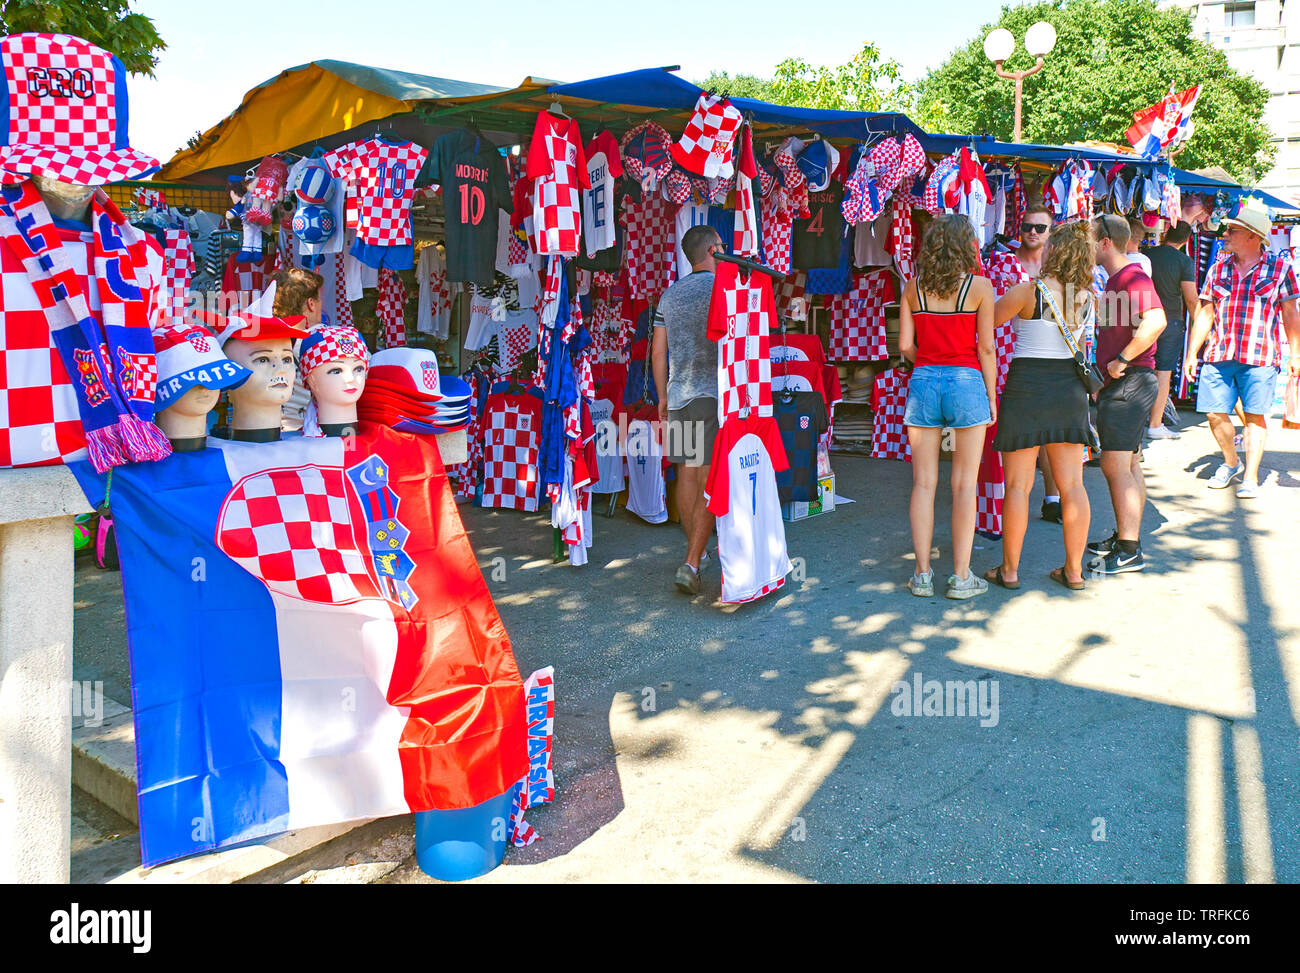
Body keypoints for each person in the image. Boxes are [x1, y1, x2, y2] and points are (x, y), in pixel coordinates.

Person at [989, 220, 1095, 590]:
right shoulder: (1087, 297)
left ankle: (1010, 570)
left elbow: (984, 326)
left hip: (1027, 390)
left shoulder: (1026, 293)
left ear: (1054, 251)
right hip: (1068, 391)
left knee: (1018, 486)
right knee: (1073, 486)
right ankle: (1074, 571)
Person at [898, 215, 997, 599]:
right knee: (963, 484)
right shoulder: (981, 288)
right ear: (966, 245)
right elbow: (986, 348)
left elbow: (905, 346)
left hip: (923, 380)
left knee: (923, 482)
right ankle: (960, 576)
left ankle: (922, 574)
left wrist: (928, 359)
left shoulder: (913, 287)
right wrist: (990, 395)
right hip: (967, 381)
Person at [1184, 202, 1300, 498]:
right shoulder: (1217, 268)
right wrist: (1191, 352)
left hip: (1259, 355)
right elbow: (1205, 313)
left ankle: (1250, 476)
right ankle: (1231, 461)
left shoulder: (1280, 268)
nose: (1225, 234)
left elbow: (1290, 314)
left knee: (1255, 417)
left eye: (1232, 230)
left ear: (1252, 236)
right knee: (1214, 413)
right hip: (1219, 353)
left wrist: (1296, 353)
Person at [1087, 214, 1166, 575]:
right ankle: (1125, 539)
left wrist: (1120, 360)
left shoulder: (1132, 276)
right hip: (1128, 382)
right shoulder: (1119, 279)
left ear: (1105, 243)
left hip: (1130, 381)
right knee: (1128, 464)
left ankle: (1130, 549)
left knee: (1115, 465)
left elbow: (1156, 321)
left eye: (1090, 239)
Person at [652, 224, 721, 594]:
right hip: (712, 394)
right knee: (708, 480)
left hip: (679, 395)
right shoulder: (722, 290)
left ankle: (696, 551)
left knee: (687, 476)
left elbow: (658, 352)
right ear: (712, 250)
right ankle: (692, 562)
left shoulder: (670, 296)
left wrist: (663, 396)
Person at [989, 203, 1064, 522]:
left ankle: (1052, 497)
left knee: (1049, 434)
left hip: (1048, 359)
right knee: (1010, 432)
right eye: (1026, 226)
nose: (1032, 232)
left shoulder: (1060, 269)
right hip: (1006, 355)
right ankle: (1006, 500)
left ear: (1050, 233)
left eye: (1040, 227)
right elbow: (986, 312)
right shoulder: (1001, 263)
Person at [1144, 221, 1199, 440]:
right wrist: (1200, 325)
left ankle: (1134, 418)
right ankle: (1155, 424)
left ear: (1166, 233)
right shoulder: (1184, 261)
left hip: (1143, 319)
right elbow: (1191, 299)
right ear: (1186, 240)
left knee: (1137, 370)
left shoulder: (1147, 254)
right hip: (1170, 321)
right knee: (1163, 373)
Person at [271, 268, 325, 431]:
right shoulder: (326, 340)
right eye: (320, 300)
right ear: (311, 304)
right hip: (315, 435)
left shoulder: (265, 342)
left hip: (273, 432)